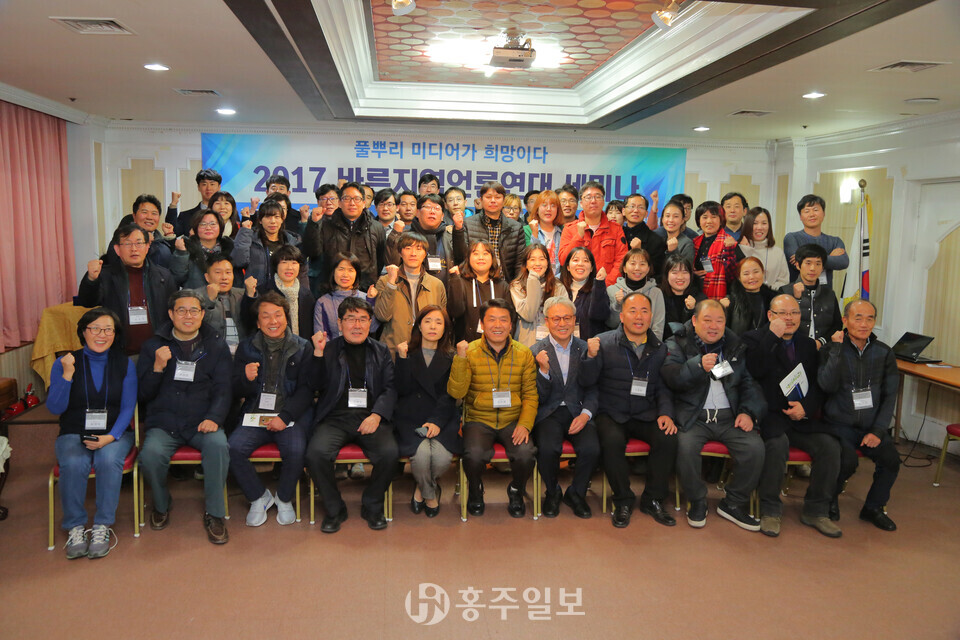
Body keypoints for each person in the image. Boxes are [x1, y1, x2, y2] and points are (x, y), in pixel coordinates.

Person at [662, 299, 767, 531]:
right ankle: (697, 500)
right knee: (684, 448)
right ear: (694, 320)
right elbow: (671, 377)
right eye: (707, 320)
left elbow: (749, 383)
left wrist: (748, 412)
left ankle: (733, 502)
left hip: (730, 417)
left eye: (719, 321)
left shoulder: (735, 345)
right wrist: (697, 366)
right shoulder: (677, 342)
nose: (714, 326)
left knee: (755, 448)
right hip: (693, 417)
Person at [742, 294, 842, 538]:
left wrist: (805, 408)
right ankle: (770, 509)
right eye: (783, 313)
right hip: (770, 416)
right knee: (777, 445)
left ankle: (816, 510)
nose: (789, 318)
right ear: (770, 315)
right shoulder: (753, 339)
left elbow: (818, 384)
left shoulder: (807, 344)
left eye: (795, 313)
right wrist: (772, 337)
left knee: (829, 446)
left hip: (800, 416)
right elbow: (755, 370)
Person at [138, 291, 232, 544]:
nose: (188, 316)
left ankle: (215, 513)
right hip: (164, 422)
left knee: (218, 446)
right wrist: (157, 368)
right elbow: (142, 394)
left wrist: (214, 417)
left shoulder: (216, 345)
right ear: (171, 314)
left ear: (202, 315)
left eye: (194, 310)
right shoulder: (152, 346)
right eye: (181, 310)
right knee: (150, 455)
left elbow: (224, 388)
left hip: (202, 421)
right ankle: (161, 504)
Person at [581, 291, 679, 527]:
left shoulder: (660, 348)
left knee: (668, 438)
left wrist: (666, 413)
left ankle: (653, 499)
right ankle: (623, 500)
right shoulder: (603, 342)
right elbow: (586, 382)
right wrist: (590, 358)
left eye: (644, 311)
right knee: (612, 441)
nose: (639, 316)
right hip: (611, 412)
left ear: (651, 316)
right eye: (633, 311)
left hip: (645, 412)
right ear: (622, 316)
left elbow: (663, 388)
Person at [47, 308, 136, 559]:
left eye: (108, 329)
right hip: (74, 430)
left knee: (108, 460)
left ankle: (102, 526)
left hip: (115, 431)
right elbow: (55, 408)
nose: (102, 334)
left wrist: (111, 437)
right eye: (95, 328)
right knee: (74, 463)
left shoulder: (125, 363)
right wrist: (67, 375)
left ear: (115, 334)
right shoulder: (65, 362)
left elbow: (128, 407)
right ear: (83, 332)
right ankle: (75, 526)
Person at [304, 298, 399, 532]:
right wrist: (318, 354)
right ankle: (335, 509)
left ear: (370, 323)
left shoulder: (381, 350)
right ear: (339, 323)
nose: (357, 325)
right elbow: (313, 385)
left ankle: (372, 505)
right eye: (351, 319)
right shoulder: (327, 349)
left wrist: (377, 415)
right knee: (316, 454)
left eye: (363, 319)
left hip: (370, 416)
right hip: (335, 418)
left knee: (390, 454)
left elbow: (390, 388)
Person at [228, 292, 318, 527]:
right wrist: (245, 379)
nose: (273, 321)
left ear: (286, 318)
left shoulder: (303, 347)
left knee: (297, 450)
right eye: (266, 316)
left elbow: (307, 391)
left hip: (290, 415)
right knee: (232, 448)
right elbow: (235, 389)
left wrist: (284, 417)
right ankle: (258, 497)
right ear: (258, 323)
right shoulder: (246, 347)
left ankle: (284, 498)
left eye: (278, 315)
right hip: (255, 413)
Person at [447, 298, 539, 517]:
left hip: (512, 419)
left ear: (511, 325)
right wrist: (460, 360)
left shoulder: (523, 353)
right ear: (482, 323)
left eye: (503, 320)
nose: (498, 325)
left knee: (526, 454)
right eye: (492, 320)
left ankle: (516, 490)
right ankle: (475, 490)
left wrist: (525, 425)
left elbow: (530, 395)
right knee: (474, 455)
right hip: (479, 419)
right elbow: (456, 393)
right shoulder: (469, 351)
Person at [818, 299, 900, 531]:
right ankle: (829, 499)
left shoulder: (884, 352)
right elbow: (826, 386)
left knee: (891, 459)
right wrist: (836, 350)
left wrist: (878, 431)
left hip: (870, 426)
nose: (864, 324)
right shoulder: (831, 349)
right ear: (845, 321)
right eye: (858, 318)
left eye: (869, 319)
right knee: (846, 461)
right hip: (838, 424)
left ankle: (873, 507)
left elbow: (889, 396)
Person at [531, 297, 600, 519]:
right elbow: (537, 397)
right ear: (546, 321)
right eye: (556, 319)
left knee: (591, 449)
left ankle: (576, 493)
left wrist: (586, 415)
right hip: (548, 412)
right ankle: (552, 492)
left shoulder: (585, 349)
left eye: (567, 318)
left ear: (574, 320)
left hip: (578, 410)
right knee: (548, 449)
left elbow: (593, 388)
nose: (562, 323)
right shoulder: (535, 351)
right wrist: (542, 371)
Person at [394, 306, 461, 518]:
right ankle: (430, 494)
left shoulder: (451, 357)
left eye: (439, 322)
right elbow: (401, 389)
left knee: (441, 459)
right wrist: (402, 360)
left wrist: (436, 421)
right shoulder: (406, 352)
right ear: (419, 326)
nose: (433, 326)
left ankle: (421, 489)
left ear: (445, 329)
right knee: (422, 457)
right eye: (428, 321)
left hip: (442, 418)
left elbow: (450, 396)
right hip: (410, 419)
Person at [76, 223, 178, 356]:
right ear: (117, 249)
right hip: (120, 352)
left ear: (147, 247)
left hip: (157, 352)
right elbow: (87, 301)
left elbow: (173, 313)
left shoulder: (164, 276)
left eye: (139, 243)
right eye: (128, 244)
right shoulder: (106, 275)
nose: (134, 249)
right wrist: (91, 279)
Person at [302, 181, 387, 296]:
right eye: (346, 198)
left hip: (364, 291)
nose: (352, 203)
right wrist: (314, 224)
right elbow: (312, 252)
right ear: (340, 203)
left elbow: (380, 260)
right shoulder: (325, 225)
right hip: (332, 291)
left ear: (363, 203)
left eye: (357, 199)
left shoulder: (376, 227)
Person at [375, 232, 447, 353]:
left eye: (418, 249)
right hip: (394, 349)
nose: (413, 253)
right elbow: (382, 316)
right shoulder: (385, 281)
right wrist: (391, 283)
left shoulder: (437, 285)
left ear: (425, 254)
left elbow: (442, 321)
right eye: (408, 248)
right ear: (400, 253)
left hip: (426, 350)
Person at [386, 193, 466, 284]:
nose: (432, 211)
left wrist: (459, 231)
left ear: (442, 216)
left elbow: (462, 261)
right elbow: (391, 263)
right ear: (417, 213)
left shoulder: (451, 236)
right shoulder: (405, 236)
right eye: (428, 207)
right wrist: (395, 234)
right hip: (410, 289)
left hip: (446, 289)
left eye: (437, 208)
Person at [559, 181, 627, 287]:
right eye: (588, 197)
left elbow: (621, 260)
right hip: (577, 287)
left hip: (608, 287)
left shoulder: (616, 229)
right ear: (581, 203)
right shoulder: (569, 229)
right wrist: (579, 236)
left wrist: (605, 284)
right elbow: (563, 260)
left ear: (603, 202)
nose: (593, 201)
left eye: (598, 197)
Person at [446, 240, 511, 343]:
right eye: (476, 253)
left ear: (492, 258)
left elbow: (510, 320)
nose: (481, 257)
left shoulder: (503, 286)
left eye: (485, 253)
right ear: (468, 258)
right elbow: (455, 311)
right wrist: (455, 280)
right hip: (466, 346)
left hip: (496, 345)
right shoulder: (460, 282)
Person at [232, 200, 302, 292]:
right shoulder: (249, 238)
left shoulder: (292, 241)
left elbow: (301, 272)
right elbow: (238, 261)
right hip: (255, 292)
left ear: (282, 219)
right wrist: (245, 232)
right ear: (260, 220)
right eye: (268, 217)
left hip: (284, 293)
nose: (273, 221)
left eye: (277, 217)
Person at [779, 244, 841, 347]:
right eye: (808, 263)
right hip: (793, 348)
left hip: (823, 349)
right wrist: (797, 300)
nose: (813, 268)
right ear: (798, 265)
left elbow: (837, 325)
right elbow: (781, 323)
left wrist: (821, 342)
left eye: (818, 264)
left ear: (822, 267)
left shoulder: (829, 293)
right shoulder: (785, 291)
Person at [464, 181, 527, 283]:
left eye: (497, 197)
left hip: (505, 283)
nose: (493, 201)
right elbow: (463, 258)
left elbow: (520, 263)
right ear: (481, 200)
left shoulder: (516, 227)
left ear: (503, 200)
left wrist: (515, 285)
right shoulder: (468, 224)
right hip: (474, 283)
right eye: (488, 197)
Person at [510, 244, 570, 347]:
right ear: (526, 264)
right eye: (532, 259)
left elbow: (564, 317)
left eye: (542, 259)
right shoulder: (517, 286)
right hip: (525, 343)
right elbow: (529, 315)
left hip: (552, 343)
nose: (537, 263)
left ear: (547, 263)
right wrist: (533, 279)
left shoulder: (558, 286)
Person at [783, 194, 849, 287]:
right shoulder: (792, 238)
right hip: (799, 292)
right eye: (807, 211)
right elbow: (796, 263)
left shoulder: (835, 241)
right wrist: (830, 257)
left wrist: (808, 259)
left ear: (824, 213)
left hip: (826, 293)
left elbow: (843, 262)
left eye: (816, 210)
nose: (812, 214)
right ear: (800, 216)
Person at [255, 245, 316, 340]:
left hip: (301, 347)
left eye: (294, 263)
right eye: (284, 262)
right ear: (276, 265)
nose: (289, 267)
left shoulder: (307, 295)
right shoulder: (263, 292)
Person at [313, 252, 379, 338]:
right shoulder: (323, 302)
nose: (345, 275)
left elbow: (372, 328)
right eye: (341, 269)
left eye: (350, 270)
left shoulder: (366, 298)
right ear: (333, 272)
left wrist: (370, 301)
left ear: (357, 273)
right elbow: (321, 336)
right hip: (332, 346)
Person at [606, 249, 664, 339]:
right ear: (624, 268)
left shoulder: (656, 293)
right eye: (633, 264)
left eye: (642, 264)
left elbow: (658, 328)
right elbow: (611, 324)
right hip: (618, 343)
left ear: (648, 268)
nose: (637, 268)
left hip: (648, 344)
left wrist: (651, 346)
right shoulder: (612, 290)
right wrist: (618, 304)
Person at [169, 210, 234, 289]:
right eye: (203, 224)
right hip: (195, 295)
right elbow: (177, 278)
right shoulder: (186, 247)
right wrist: (181, 253)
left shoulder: (230, 247)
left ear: (220, 227)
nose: (208, 228)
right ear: (195, 228)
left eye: (213, 224)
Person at [691, 201, 740, 300]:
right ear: (699, 221)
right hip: (696, 293)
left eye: (714, 217)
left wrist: (729, 251)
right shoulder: (694, 242)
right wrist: (693, 274)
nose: (709, 221)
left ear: (721, 220)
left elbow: (734, 275)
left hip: (720, 296)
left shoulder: (729, 242)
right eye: (705, 217)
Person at [200, 253, 246, 354]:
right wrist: (210, 300)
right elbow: (198, 326)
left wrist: (251, 297)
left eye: (228, 272)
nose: (224, 277)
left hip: (241, 354)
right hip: (211, 354)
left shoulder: (243, 295)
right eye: (218, 272)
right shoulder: (196, 297)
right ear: (207, 277)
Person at [560, 247, 609, 340]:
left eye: (585, 261)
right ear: (568, 267)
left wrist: (599, 283)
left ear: (591, 268)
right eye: (575, 260)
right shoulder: (559, 288)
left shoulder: (597, 289)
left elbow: (600, 316)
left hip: (588, 345)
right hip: (562, 344)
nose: (580, 264)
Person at [115, 194, 172, 269]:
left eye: (154, 213)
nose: (149, 217)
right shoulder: (122, 237)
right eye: (144, 212)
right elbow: (114, 260)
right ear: (134, 216)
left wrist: (169, 237)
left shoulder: (160, 240)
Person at [723, 257, 777, 336]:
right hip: (740, 343)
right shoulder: (730, 301)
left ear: (763, 273)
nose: (752, 277)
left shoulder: (774, 299)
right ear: (739, 277)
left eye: (756, 272)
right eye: (746, 274)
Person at [739, 207, 789, 289]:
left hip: (772, 295)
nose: (759, 227)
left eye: (764, 223)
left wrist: (766, 291)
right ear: (748, 225)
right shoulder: (740, 249)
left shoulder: (778, 252)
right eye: (755, 223)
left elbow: (784, 281)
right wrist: (746, 250)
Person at [660, 254, 706, 340]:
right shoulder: (659, 296)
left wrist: (691, 310)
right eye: (675, 272)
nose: (680, 277)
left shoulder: (700, 299)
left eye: (685, 272)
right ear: (667, 275)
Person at [621, 193, 667, 279]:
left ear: (646, 213)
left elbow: (657, 272)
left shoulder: (656, 240)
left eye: (641, 207)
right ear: (623, 211)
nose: (636, 210)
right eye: (632, 206)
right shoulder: (617, 234)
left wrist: (639, 252)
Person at [166, 168, 222, 237]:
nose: (208, 188)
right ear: (198, 187)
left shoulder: (226, 213)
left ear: (219, 187)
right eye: (204, 184)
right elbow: (172, 231)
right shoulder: (186, 216)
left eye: (212, 184)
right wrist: (173, 204)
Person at [523, 189, 564, 275]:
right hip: (534, 278)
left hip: (558, 279)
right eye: (544, 205)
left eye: (553, 205)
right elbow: (530, 258)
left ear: (558, 210)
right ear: (537, 209)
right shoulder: (526, 230)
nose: (548, 209)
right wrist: (534, 234)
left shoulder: (563, 231)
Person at [656, 199, 695, 266]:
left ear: (682, 220)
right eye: (667, 216)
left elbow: (684, 269)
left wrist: (673, 251)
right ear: (662, 219)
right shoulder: (660, 240)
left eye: (676, 216)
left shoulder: (687, 244)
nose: (671, 220)